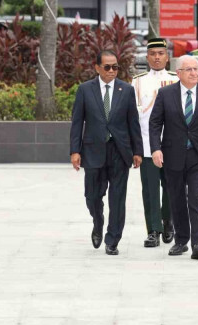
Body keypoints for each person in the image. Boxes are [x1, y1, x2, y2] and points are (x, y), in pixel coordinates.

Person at [149, 55, 198, 260]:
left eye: (196, 69)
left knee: (196, 198)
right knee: (177, 199)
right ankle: (181, 241)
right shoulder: (166, 94)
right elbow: (155, 124)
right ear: (179, 73)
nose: (194, 73)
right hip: (173, 155)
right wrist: (156, 149)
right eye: (189, 69)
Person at [69, 50, 143, 256]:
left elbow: (133, 122)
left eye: (115, 67)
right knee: (92, 196)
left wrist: (137, 150)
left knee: (118, 198)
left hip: (120, 151)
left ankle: (112, 240)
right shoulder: (85, 90)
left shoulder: (126, 90)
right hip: (93, 151)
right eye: (108, 67)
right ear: (97, 68)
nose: (112, 71)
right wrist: (75, 151)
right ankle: (98, 221)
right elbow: (77, 122)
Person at [132, 38, 178, 248]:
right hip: (147, 144)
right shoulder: (138, 81)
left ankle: (168, 222)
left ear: (167, 57)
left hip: (171, 144)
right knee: (149, 190)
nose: (157, 57)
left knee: (171, 187)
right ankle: (153, 231)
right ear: (147, 57)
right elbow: (133, 114)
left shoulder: (176, 79)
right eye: (153, 54)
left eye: (161, 53)